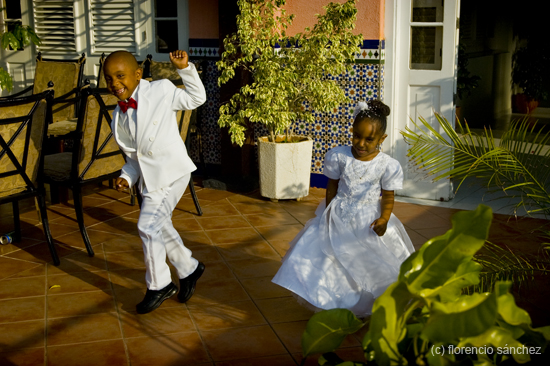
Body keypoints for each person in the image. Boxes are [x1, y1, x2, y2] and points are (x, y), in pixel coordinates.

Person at [272, 100, 415, 316]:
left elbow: (388, 196)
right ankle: (334, 303)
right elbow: (332, 186)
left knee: (366, 260)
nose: (361, 143)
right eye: (357, 135)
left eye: (369, 139)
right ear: (352, 131)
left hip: (369, 219)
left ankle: (367, 305)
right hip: (339, 215)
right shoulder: (339, 156)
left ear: (381, 139)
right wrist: (328, 213)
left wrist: (384, 218)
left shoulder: (388, 164)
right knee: (332, 258)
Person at [103, 50, 206, 314]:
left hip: (172, 172)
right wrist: (126, 177)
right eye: (108, 78)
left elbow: (197, 97)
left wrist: (184, 69)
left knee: (148, 225)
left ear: (138, 75)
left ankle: (159, 285)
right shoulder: (118, 116)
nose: (114, 83)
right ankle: (189, 268)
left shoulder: (161, 90)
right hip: (149, 182)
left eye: (120, 76)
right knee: (160, 226)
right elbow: (134, 158)